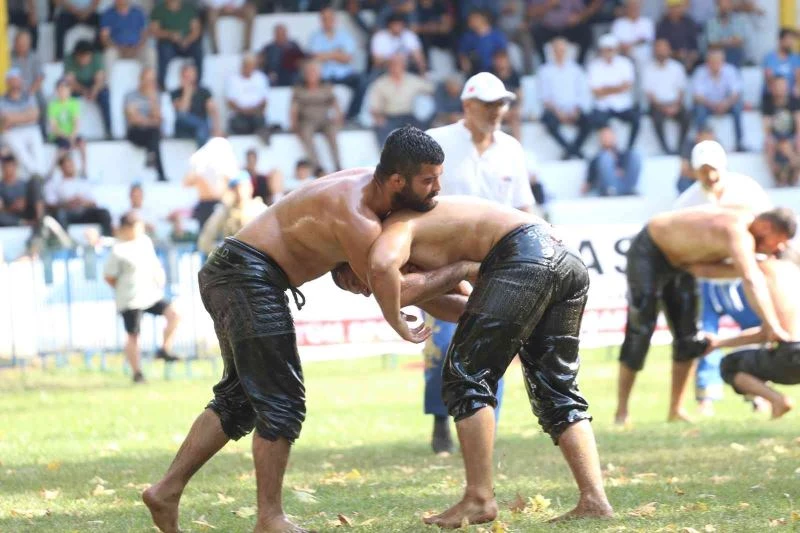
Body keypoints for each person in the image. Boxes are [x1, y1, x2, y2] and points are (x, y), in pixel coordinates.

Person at [142, 127, 476, 533]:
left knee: (241, 397)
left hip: (235, 273)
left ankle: (166, 491)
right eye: (428, 180)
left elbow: (409, 281)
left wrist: (480, 303)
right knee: (280, 398)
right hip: (246, 276)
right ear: (396, 181)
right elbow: (401, 293)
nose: (437, 189)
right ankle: (269, 518)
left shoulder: (368, 191)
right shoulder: (358, 217)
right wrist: (465, 276)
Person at [366, 196, 614, 527]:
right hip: (562, 254)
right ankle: (595, 499)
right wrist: (458, 273)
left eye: (356, 281)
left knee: (465, 375)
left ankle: (479, 499)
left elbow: (388, 280)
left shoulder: (393, 232)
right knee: (556, 385)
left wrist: (462, 269)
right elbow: (468, 308)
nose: (365, 289)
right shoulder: (425, 237)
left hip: (526, 252)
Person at [423, 72, 535, 455]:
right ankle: (440, 419)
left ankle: (485, 428)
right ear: (467, 105)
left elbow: (524, 206)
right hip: (442, 259)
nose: (496, 111)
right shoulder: (436, 142)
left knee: (493, 345)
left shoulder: (511, 149)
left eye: (501, 104)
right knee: (441, 342)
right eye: (488, 104)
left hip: (497, 262)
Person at [614, 201, 796, 426]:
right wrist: (772, 325)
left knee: (688, 337)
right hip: (650, 250)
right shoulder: (737, 231)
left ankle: (676, 409)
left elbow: (705, 270)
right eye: (778, 242)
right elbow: (750, 279)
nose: (777, 250)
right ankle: (621, 412)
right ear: (767, 227)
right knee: (640, 331)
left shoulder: (746, 232)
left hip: (684, 264)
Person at [673, 139, 770, 415]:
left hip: (742, 275)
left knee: (755, 330)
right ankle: (706, 396)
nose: (710, 175)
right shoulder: (685, 204)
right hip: (705, 280)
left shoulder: (747, 190)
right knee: (705, 335)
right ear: (694, 171)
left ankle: (757, 391)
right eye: (703, 170)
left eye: (713, 169)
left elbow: (768, 224)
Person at [707, 258, 800, 419]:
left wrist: (719, 343)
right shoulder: (793, 276)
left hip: (791, 355)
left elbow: (768, 333)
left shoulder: (770, 277)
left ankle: (777, 400)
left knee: (729, 365)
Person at [104, 211, 180, 384]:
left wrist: (158, 276)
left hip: (151, 294)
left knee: (174, 315)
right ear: (126, 228)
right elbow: (109, 276)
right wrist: (122, 288)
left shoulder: (144, 242)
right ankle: (137, 373)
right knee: (133, 335)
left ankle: (164, 349)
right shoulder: (118, 249)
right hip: (130, 299)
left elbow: (153, 264)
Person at [538, 37, 591, 160]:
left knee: (589, 121)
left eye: (562, 50)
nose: (559, 53)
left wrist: (576, 110)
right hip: (555, 110)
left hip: (574, 110)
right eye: (557, 50)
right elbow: (544, 97)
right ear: (552, 51)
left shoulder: (576, 69)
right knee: (548, 121)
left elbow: (582, 93)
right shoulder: (544, 71)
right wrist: (558, 112)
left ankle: (570, 150)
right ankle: (573, 151)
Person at [290, 60, 343, 173]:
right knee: (306, 135)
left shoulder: (326, 87)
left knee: (332, 133)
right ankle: (317, 167)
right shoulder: (299, 88)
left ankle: (338, 165)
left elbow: (334, 103)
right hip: (307, 120)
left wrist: (339, 117)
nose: (311, 74)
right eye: (309, 72)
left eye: (314, 72)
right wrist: (293, 124)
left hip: (324, 119)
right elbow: (294, 108)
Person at [588, 34, 639, 150]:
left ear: (616, 49)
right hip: (603, 106)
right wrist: (617, 88)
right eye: (606, 50)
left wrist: (606, 89)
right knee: (596, 120)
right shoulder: (594, 66)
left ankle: (629, 148)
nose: (608, 53)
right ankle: (608, 149)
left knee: (636, 119)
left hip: (623, 105)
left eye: (611, 49)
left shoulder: (625, 63)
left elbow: (626, 87)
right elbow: (596, 92)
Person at [197, 172, 266, 254]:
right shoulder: (224, 211)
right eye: (236, 188)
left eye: (243, 187)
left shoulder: (260, 210)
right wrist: (226, 251)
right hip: (233, 261)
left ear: (250, 187)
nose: (240, 192)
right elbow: (205, 242)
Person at [692, 46, 744, 153]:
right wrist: (713, 105)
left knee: (737, 107)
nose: (715, 64)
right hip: (708, 105)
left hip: (726, 104)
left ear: (723, 61)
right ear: (707, 62)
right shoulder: (700, 72)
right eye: (713, 61)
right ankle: (701, 144)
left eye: (718, 61)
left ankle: (740, 143)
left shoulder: (730, 70)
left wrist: (726, 104)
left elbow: (736, 93)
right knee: (699, 109)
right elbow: (697, 96)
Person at [644, 39, 690, 155]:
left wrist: (675, 106)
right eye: (659, 50)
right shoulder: (648, 69)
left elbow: (681, 90)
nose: (661, 53)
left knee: (687, 116)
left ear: (669, 51)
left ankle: (680, 146)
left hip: (675, 103)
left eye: (664, 50)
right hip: (657, 104)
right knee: (657, 118)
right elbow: (650, 94)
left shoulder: (677, 67)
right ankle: (665, 148)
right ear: (654, 51)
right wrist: (663, 108)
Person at [149, 0, 203, 89]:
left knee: (198, 50)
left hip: (187, 43)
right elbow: (154, 31)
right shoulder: (158, 9)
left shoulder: (189, 8)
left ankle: (197, 83)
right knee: (164, 50)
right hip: (169, 44)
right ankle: (161, 84)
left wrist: (187, 40)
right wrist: (170, 35)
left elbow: (196, 30)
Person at [125, 67, 166, 181]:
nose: (149, 83)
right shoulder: (131, 95)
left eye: (152, 80)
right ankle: (160, 173)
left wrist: (152, 101)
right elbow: (133, 119)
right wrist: (150, 121)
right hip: (135, 132)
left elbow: (158, 119)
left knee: (154, 133)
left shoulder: (155, 96)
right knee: (155, 134)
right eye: (147, 80)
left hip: (150, 132)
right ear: (141, 79)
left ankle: (151, 158)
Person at [171, 62, 221, 148]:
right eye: (186, 75)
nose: (188, 77)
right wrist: (187, 91)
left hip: (200, 129)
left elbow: (213, 109)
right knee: (184, 117)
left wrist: (216, 129)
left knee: (201, 132)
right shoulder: (176, 93)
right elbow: (182, 111)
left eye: (190, 74)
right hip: (184, 129)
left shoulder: (204, 91)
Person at [762, 77, 800, 187]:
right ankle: (781, 173)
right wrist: (780, 143)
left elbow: (798, 124)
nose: (780, 88)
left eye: (782, 85)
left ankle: (792, 177)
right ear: (773, 87)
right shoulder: (768, 102)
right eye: (777, 85)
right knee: (769, 144)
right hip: (775, 137)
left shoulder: (794, 101)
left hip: (791, 136)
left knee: (797, 143)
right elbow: (767, 129)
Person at [584, 126, 641, 196]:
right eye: (604, 137)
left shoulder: (623, 156)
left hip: (624, 184)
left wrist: (620, 171)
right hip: (606, 189)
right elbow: (589, 181)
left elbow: (627, 171)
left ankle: (628, 189)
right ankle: (611, 190)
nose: (607, 139)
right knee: (605, 157)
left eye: (609, 136)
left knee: (634, 154)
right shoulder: (596, 159)